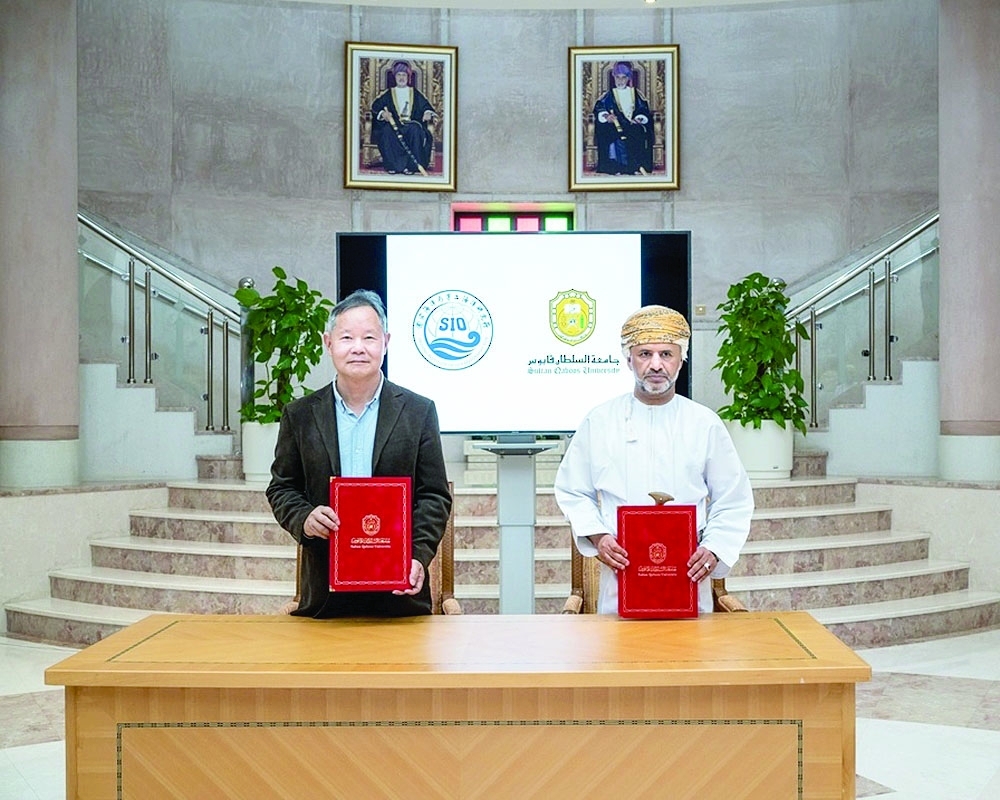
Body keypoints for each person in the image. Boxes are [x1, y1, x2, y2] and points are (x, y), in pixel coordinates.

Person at [553, 305, 754, 615]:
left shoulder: (704, 423)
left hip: (688, 580)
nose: (656, 365)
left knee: (688, 659)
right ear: (629, 358)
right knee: (620, 659)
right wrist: (599, 536)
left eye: (666, 354)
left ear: (681, 359)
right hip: (620, 581)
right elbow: (571, 490)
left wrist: (714, 548)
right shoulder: (600, 421)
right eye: (645, 354)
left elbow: (734, 499)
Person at [266, 289, 452, 617]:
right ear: (328, 342)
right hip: (325, 595)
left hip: (399, 592)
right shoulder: (301, 415)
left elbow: (434, 495)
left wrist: (418, 556)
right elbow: (282, 488)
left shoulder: (418, 412)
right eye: (347, 337)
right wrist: (305, 518)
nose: (358, 348)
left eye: (369, 337)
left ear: (386, 341)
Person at [370, 60, 438, 175]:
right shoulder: (389, 93)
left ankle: (411, 167)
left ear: (408, 77)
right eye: (399, 75)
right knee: (386, 131)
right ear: (395, 77)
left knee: (416, 131)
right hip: (394, 125)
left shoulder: (414, 93)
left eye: (404, 75)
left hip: (411, 124)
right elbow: (375, 106)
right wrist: (383, 114)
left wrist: (427, 113)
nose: (401, 78)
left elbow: (426, 106)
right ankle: (393, 166)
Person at [592, 61, 654, 176]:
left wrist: (639, 118)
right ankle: (617, 167)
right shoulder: (609, 94)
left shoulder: (636, 94)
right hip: (615, 125)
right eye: (617, 78)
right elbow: (600, 108)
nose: (620, 81)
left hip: (632, 125)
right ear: (614, 78)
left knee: (638, 132)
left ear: (628, 78)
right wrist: (607, 116)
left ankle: (636, 167)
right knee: (614, 135)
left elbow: (643, 109)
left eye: (623, 78)